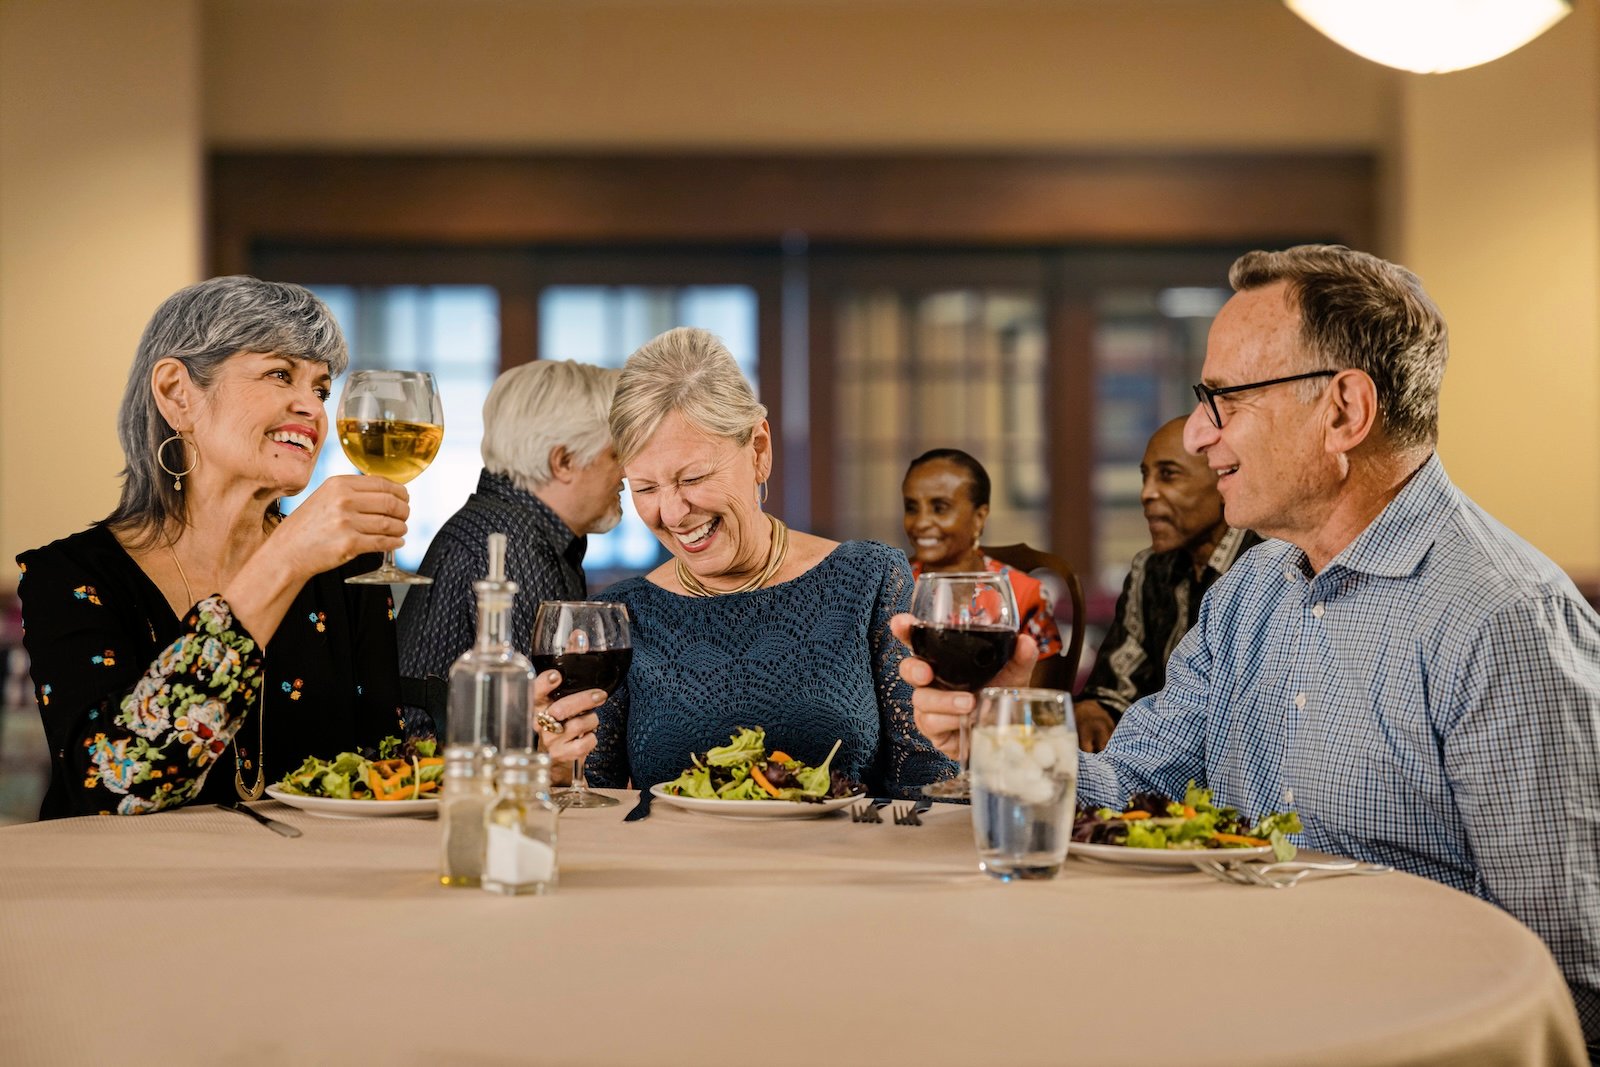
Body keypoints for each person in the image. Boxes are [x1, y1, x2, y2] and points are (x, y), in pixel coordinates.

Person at [898, 245, 1600, 1046]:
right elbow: (1129, 787)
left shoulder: (1503, 618)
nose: (1198, 434)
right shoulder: (1253, 588)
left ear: (1344, 412)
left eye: (1223, 397)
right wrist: (1005, 725)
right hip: (1225, 1004)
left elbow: (1568, 974)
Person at [16, 277, 599, 818]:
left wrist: (513, 767)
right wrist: (284, 558)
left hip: (305, 895)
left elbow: (378, 773)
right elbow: (118, 783)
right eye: (279, 375)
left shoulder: (350, 568)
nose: (313, 408)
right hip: (116, 901)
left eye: (321, 387)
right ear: (177, 394)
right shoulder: (69, 576)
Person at [574, 327, 955, 797]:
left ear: (758, 450)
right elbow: (591, 797)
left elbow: (930, 784)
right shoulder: (622, 616)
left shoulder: (869, 581)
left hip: (840, 866)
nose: (671, 514)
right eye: (645, 489)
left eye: (692, 477)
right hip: (676, 869)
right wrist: (553, 769)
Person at [397, 359, 624, 700]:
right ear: (562, 462)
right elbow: (549, 712)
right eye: (616, 454)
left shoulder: (507, 526)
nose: (627, 472)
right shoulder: (508, 544)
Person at [1074, 418, 1259, 751]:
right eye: (1145, 476)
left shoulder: (1265, 565)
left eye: (1168, 475)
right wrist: (1093, 710)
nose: (1147, 493)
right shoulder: (1150, 567)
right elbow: (1117, 683)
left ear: (1223, 479)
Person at [901, 448, 1065, 680]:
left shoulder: (1023, 594)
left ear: (979, 517)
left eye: (940, 508)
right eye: (911, 508)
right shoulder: (891, 588)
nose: (921, 522)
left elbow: (1040, 700)